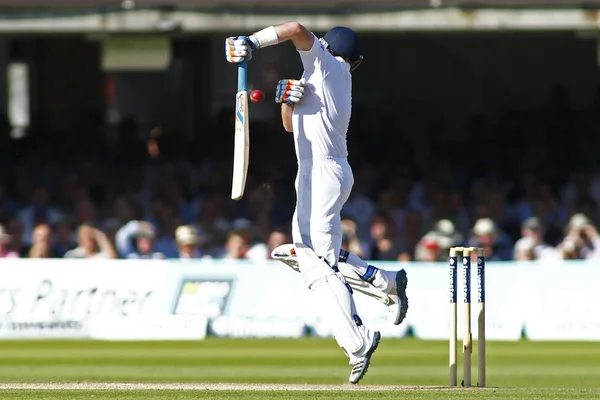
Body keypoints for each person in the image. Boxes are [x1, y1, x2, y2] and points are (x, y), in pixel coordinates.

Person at [225, 22, 407, 384]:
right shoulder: (324, 76)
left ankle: (357, 342)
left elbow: (294, 28)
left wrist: (251, 42)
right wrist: (287, 102)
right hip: (314, 171)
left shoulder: (327, 64)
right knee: (317, 256)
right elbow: (292, 128)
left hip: (323, 172)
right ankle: (385, 281)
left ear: (328, 47)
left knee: (314, 265)